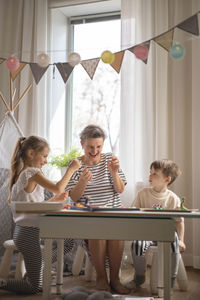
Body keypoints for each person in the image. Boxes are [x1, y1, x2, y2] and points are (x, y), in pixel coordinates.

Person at [0, 135, 81, 294]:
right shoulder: (31, 172)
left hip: (25, 233)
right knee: (33, 287)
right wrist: (71, 169)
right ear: (31, 153)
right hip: (27, 235)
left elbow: (33, 207)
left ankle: (39, 267)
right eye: (44, 156)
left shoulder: (23, 174)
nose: (46, 161)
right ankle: (5, 282)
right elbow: (58, 187)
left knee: (68, 241)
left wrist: (54, 200)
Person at [65, 124, 129, 294]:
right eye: (90, 147)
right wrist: (83, 182)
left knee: (116, 235)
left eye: (98, 147)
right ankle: (102, 278)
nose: (94, 151)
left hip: (114, 214)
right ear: (82, 144)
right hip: (90, 218)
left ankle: (115, 279)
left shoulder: (110, 159)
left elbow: (120, 189)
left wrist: (114, 173)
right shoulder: (76, 165)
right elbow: (74, 197)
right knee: (98, 231)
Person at [127, 159, 186, 290]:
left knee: (174, 240)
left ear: (167, 179)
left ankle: (170, 279)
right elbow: (132, 212)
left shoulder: (172, 198)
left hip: (165, 235)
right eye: (150, 172)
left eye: (155, 174)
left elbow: (179, 221)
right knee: (136, 245)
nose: (150, 176)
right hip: (146, 233)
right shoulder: (143, 194)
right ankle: (139, 276)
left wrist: (181, 240)